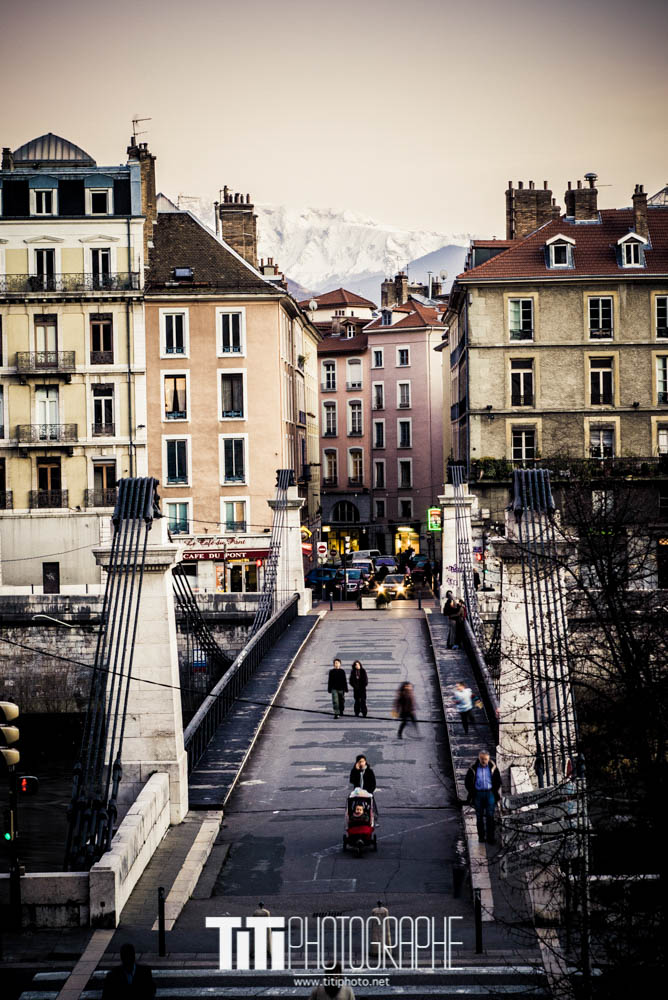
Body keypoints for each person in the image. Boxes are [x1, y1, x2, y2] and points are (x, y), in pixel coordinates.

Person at [464, 750, 502, 844]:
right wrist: (472, 792)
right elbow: (467, 782)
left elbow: (498, 780)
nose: (484, 761)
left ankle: (490, 838)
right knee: (479, 817)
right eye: (482, 759)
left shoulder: (493, 767)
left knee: (490, 816)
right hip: (478, 794)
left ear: (488, 759)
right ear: (479, 758)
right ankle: (481, 837)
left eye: (485, 759)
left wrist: (494, 791)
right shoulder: (473, 768)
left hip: (490, 794)